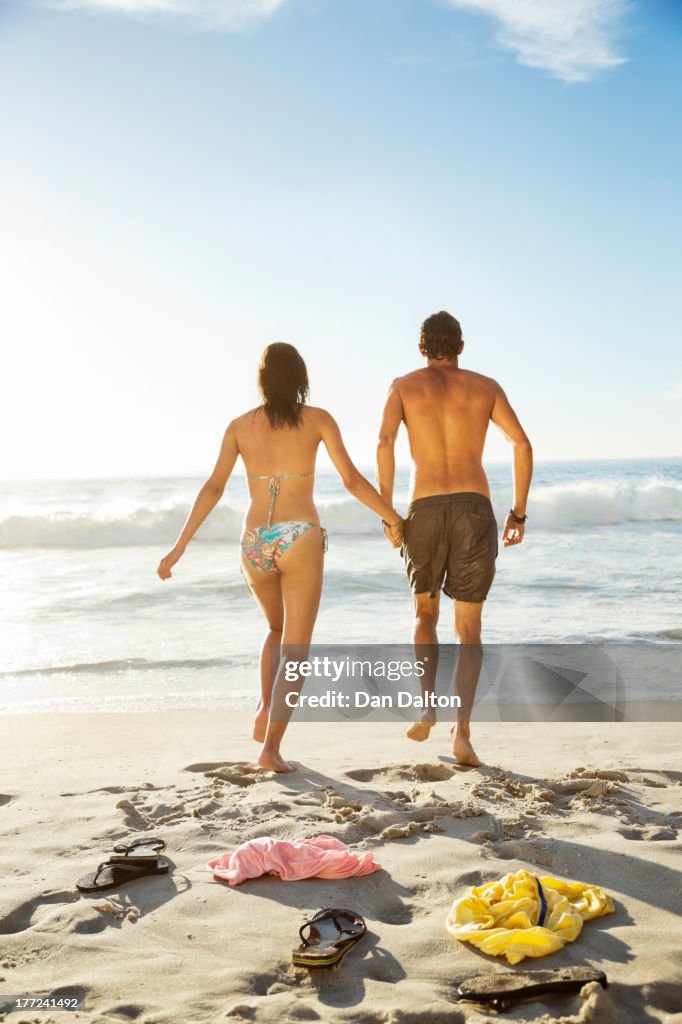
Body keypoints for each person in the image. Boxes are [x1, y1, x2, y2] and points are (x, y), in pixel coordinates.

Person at [157, 342, 403, 773]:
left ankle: (265, 704)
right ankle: (270, 746)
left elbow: (213, 488)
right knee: (296, 647)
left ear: (263, 380)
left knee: (274, 629)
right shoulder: (318, 419)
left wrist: (179, 547)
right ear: (301, 378)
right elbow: (350, 480)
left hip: (253, 541)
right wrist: (393, 517)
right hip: (298, 536)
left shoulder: (238, 426)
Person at [376, 311, 532, 766]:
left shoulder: (404, 385)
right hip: (472, 508)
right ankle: (461, 733)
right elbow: (521, 444)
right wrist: (518, 511)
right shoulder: (485, 386)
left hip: (422, 508)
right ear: (461, 347)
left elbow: (384, 443)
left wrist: (388, 511)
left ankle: (428, 704)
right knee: (469, 629)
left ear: (421, 348)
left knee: (425, 614)